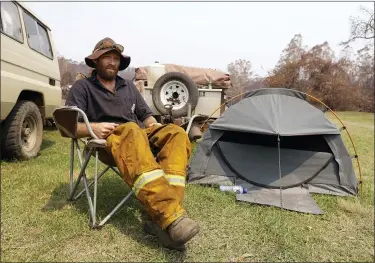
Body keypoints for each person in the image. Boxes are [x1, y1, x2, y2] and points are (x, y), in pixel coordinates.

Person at [65, 37, 200, 250]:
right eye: (106, 58)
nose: (111, 62)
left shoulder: (128, 86)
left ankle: (163, 220)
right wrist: (94, 127)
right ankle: (171, 218)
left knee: (176, 134)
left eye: (115, 58)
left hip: (139, 139)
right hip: (107, 144)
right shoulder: (83, 87)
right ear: (96, 61)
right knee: (130, 130)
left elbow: (146, 115)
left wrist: (155, 127)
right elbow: (70, 125)